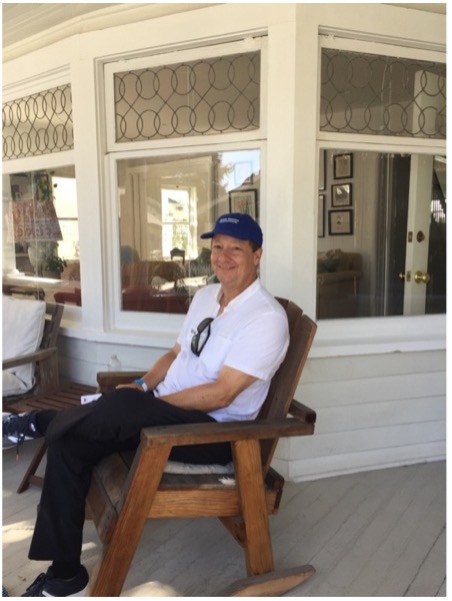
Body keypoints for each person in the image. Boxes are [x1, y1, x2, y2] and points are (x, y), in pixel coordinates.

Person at [3, 212, 290, 597]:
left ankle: (36, 421)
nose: (223, 256)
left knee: (124, 406)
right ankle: (65, 574)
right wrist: (142, 386)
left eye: (235, 249)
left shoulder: (266, 318)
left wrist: (149, 404)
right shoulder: (206, 297)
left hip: (216, 432)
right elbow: (174, 353)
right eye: (217, 247)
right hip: (164, 413)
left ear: (257, 255)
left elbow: (223, 393)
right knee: (68, 444)